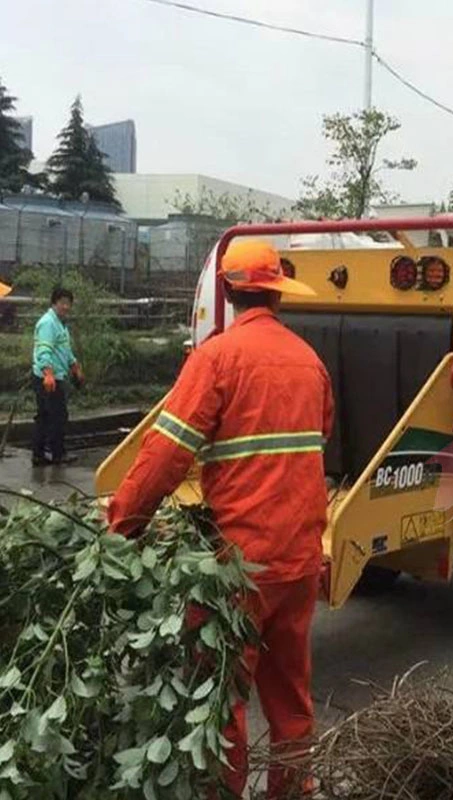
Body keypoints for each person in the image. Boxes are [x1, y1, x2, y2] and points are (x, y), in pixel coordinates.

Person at [107, 238, 333, 798]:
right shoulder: (310, 362)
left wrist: (122, 527)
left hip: (237, 567)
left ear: (228, 291)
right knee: (292, 701)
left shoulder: (216, 358)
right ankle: (291, 791)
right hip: (299, 559)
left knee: (220, 702)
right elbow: (320, 438)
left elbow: (165, 457)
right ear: (277, 293)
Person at [31, 287, 84, 466]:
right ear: (54, 303)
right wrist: (48, 374)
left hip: (57, 376)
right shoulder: (48, 323)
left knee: (47, 416)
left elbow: (64, 350)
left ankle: (40, 454)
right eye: (62, 303)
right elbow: (43, 350)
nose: (66, 307)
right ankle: (56, 454)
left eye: (68, 303)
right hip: (49, 378)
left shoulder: (60, 324)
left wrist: (75, 366)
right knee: (56, 416)